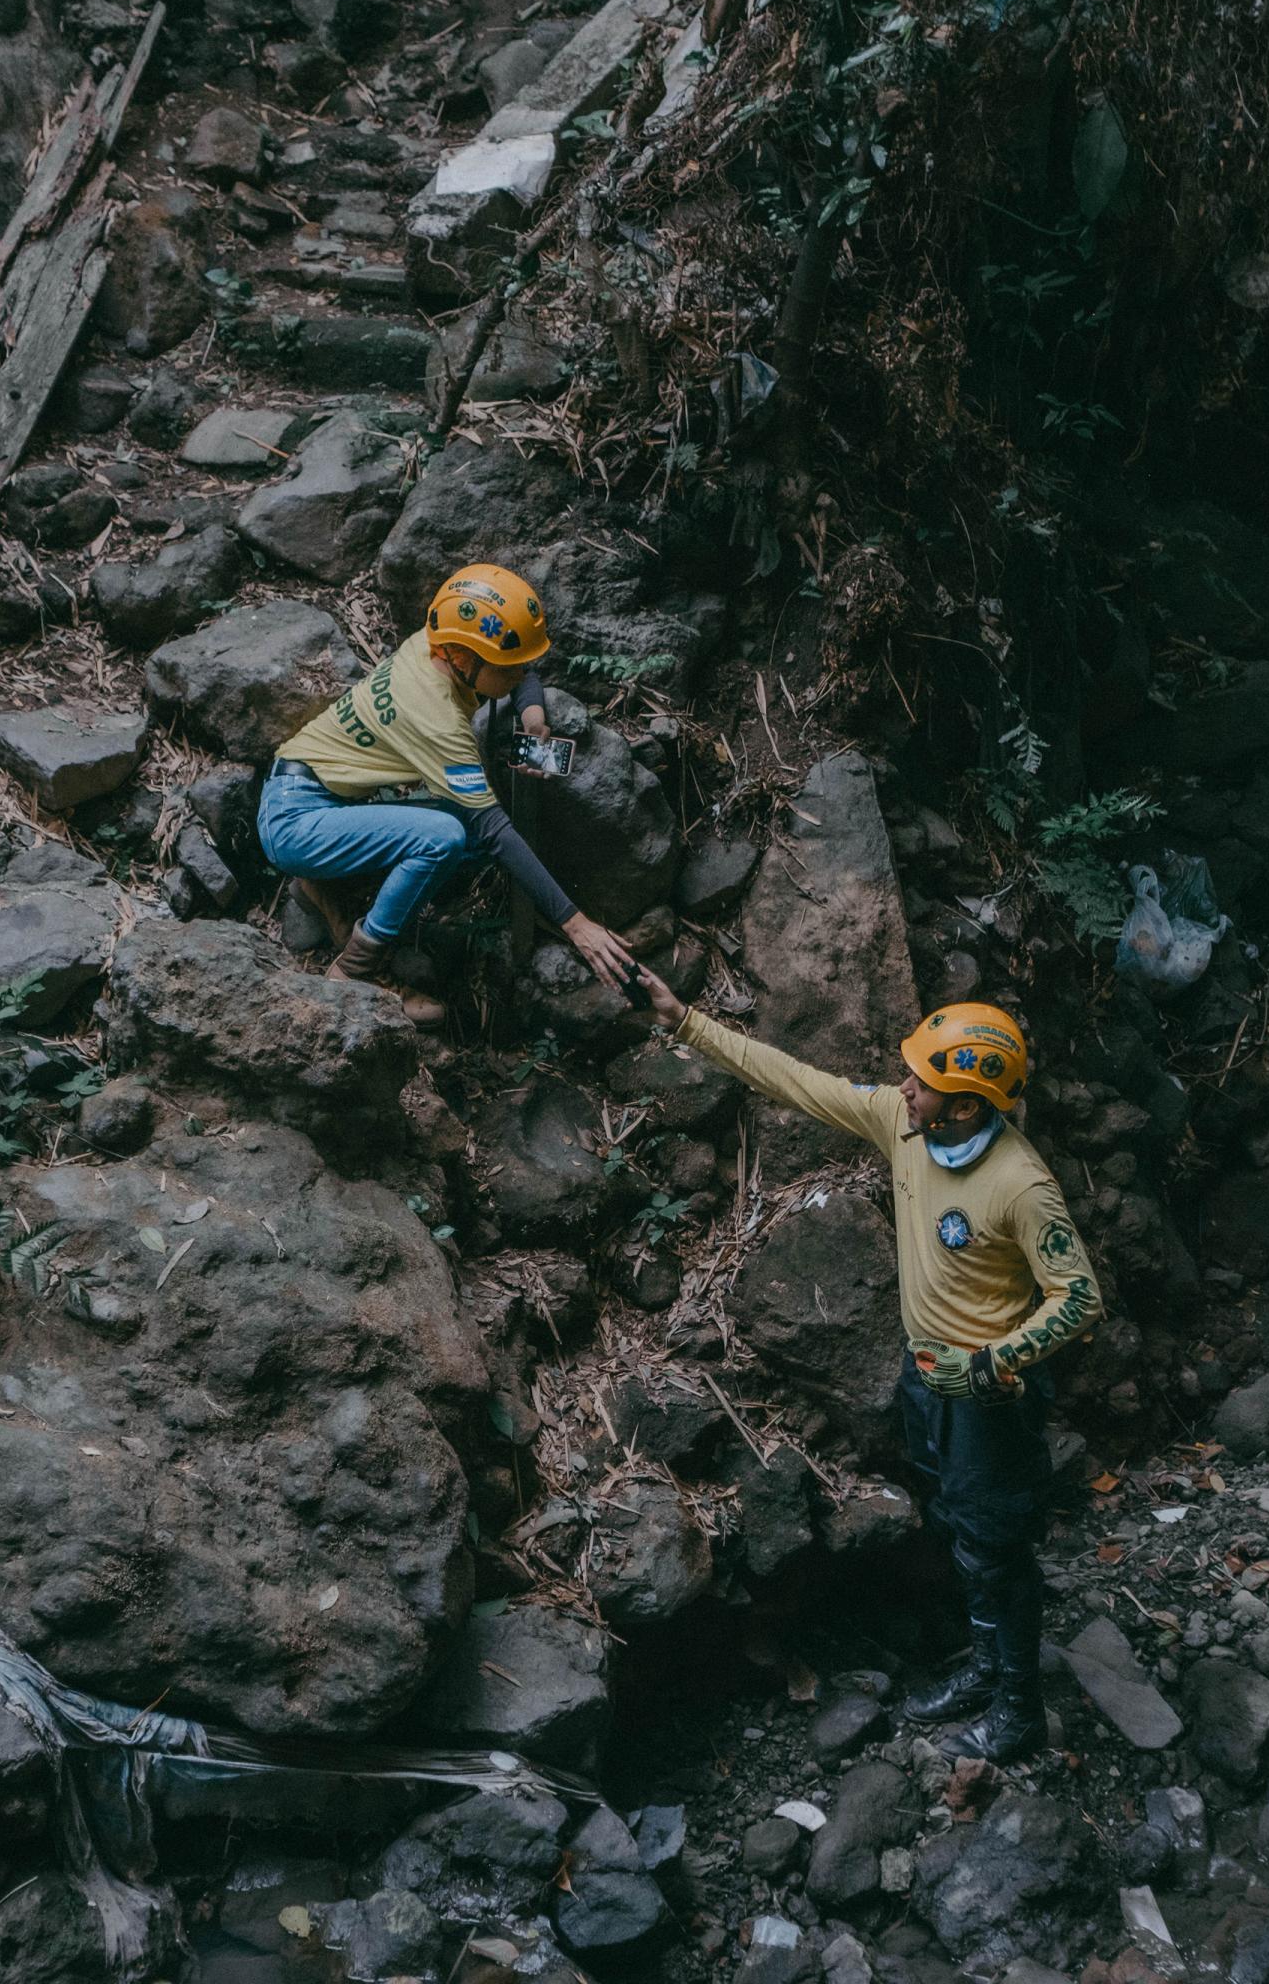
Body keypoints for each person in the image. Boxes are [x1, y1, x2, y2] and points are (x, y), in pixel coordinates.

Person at [630, 968, 1104, 1764]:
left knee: (995, 1547)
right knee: (959, 1526)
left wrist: (993, 1364)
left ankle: (1018, 1709)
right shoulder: (903, 1126)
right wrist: (685, 1022)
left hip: (988, 1397)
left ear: (963, 1103)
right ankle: (988, 1669)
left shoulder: (1021, 1185)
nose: (901, 1086)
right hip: (929, 1379)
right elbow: (798, 1081)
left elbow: (1079, 1296)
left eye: (919, 1080)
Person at [260, 563, 637, 1028]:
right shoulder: (436, 717)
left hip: (319, 799)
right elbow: (496, 829)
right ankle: (356, 967)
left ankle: (322, 886)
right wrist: (576, 925)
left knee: (467, 838)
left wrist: (534, 717)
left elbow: (523, 672)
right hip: (296, 824)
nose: (520, 675)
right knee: (444, 837)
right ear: (465, 659)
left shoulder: (434, 642)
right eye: (509, 669)